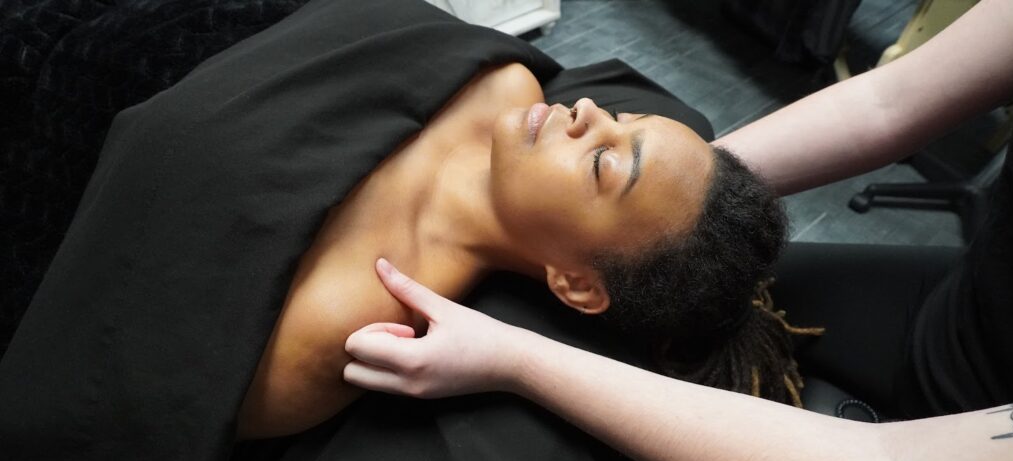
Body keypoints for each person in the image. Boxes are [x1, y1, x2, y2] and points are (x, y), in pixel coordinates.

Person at [343, 0, 1013, 461]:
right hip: (966, 309)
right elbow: (888, 99)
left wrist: (512, 357)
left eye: (609, 151)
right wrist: (680, 202)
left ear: (575, 286)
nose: (583, 107)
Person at [237, 68, 800, 438]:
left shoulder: (339, 319)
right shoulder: (504, 84)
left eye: (604, 162)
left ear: (576, 284)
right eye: (624, 118)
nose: (585, 109)